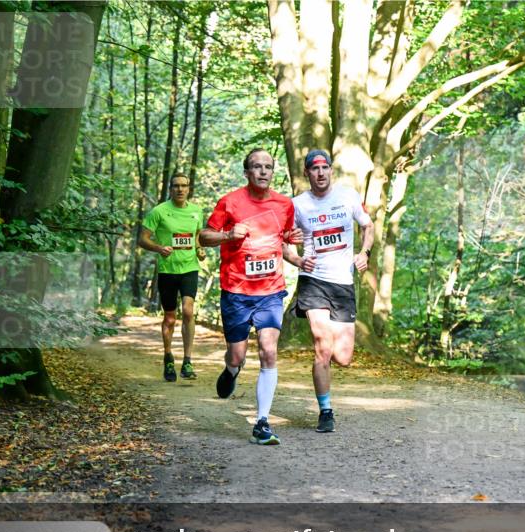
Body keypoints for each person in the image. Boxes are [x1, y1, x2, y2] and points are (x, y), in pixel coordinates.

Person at [199, 148, 301, 445]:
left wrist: (294, 249)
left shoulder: (284, 205)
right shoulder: (230, 202)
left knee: (269, 350)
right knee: (238, 354)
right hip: (236, 292)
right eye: (256, 167)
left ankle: (262, 422)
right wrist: (228, 235)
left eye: (268, 167)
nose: (263, 172)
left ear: (273, 171)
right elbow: (204, 237)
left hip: (270, 291)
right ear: (247, 172)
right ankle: (232, 369)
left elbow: (284, 240)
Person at [285, 149, 373, 433]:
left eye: (324, 168)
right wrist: (297, 258)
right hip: (313, 280)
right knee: (322, 346)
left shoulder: (348, 196)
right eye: (314, 169)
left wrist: (365, 253)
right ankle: (326, 411)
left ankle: (329, 369)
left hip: (343, 283)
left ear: (331, 171)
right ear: (307, 173)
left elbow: (368, 226)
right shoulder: (297, 205)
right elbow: (284, 242)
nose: (320, 173)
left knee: (343, 357)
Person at [138, 173, 205, 382]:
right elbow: (142, 239)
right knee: (170, 317)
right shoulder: (159, 212)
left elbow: (197, 237)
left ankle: (187, 360)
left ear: (189, 188)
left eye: (184, 186)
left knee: (188, 310)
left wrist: (200, 249)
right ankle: (168, 357)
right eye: (176, 186)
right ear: (170, 188)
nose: (180, 189)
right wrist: (159, 248)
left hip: (189, 268)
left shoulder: (196, 211)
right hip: (167, 270)